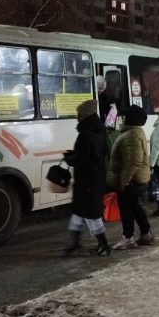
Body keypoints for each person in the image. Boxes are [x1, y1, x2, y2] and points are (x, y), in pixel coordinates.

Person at [61, 100, 112, 256]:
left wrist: (70, 159)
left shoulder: (85, 134)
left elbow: (83, 159)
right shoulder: (99, 131)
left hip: (87, 180)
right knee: (79, 212)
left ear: (84, 116)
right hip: (95, 177)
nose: (77, 118)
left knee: (91, 214)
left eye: (79, 115)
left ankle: (104, 245)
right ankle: (74, 243)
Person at [109, 104, 154, 250]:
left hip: (131, 181)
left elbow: (133, 161)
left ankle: (128, 238)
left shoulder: (132, 135)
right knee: (134, 207)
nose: (123, 118)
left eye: (126, 116)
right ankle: (146, 234)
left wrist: (124, 181)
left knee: (126, 208)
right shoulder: (134, 132)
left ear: (130, 118)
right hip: (135, 179)